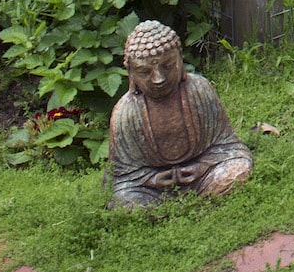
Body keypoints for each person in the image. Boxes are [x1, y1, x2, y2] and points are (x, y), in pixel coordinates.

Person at [107, 21, 253, 208]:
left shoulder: (200, 90)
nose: (158, 78)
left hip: (204, 176)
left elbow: (229, 147)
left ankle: (191, 203)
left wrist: (201, 167)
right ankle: (180, 207)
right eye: (144, 71)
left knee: (238, 169)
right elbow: (119, 177)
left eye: (168, 66)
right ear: (131, 74)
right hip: (151, 190)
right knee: (124, 201)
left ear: (180, 61)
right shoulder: (125, 112)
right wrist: (154, 179)